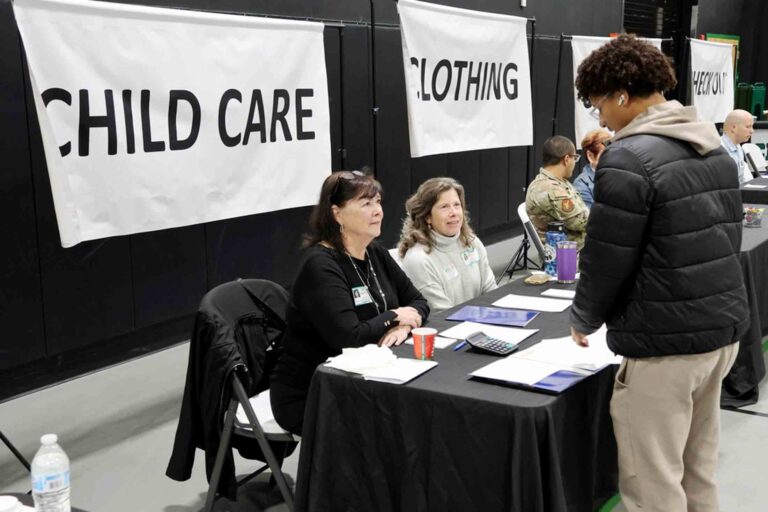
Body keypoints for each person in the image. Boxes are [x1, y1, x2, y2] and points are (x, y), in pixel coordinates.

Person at [570, 34, 749, 512]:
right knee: (697, 472)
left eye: (598, 104)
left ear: (621, 95)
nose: (601, 118)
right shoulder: (710, 145)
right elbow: (729, 236)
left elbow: (608, 256)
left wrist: (584, 317)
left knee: (652, 484)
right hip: (720, 331)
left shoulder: (627, 158)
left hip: (665, 344)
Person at [270, 170, 430, 436]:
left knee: (418, 412)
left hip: (367, 377)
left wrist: (403, 327)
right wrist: (393, 315)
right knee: (403, 422)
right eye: (366, 204)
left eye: (378, 202)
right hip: (314, 391)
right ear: (337, 214)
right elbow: (349, 336)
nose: (378, 211)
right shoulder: (320, 265)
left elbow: (418, 301)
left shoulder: (375, 252)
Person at [397, 177, 497, 312]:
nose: (454, 212)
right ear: (427, 217)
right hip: (446, 329)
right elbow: (443, 314)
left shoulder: (471, 242)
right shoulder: (419, 259)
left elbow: (492, 292)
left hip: (481, 321)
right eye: (444, 207)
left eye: (457, 205)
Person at [525, 135, 589, 249]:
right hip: (570, 255)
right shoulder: (550, 189)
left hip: (577, 248)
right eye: (575, 158)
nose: (575, 162)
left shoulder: (558, 182)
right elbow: (582, 223)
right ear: (567, 159)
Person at [573, 128, 612, 209]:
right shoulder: (581, 184)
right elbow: (591, 218)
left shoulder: (619, 175)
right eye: (605, 154)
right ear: (590, 156)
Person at [721, 109, 755, 183]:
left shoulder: (738, 147)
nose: (752, 131)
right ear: (734, 127)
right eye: (748, 126)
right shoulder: (720, 150)